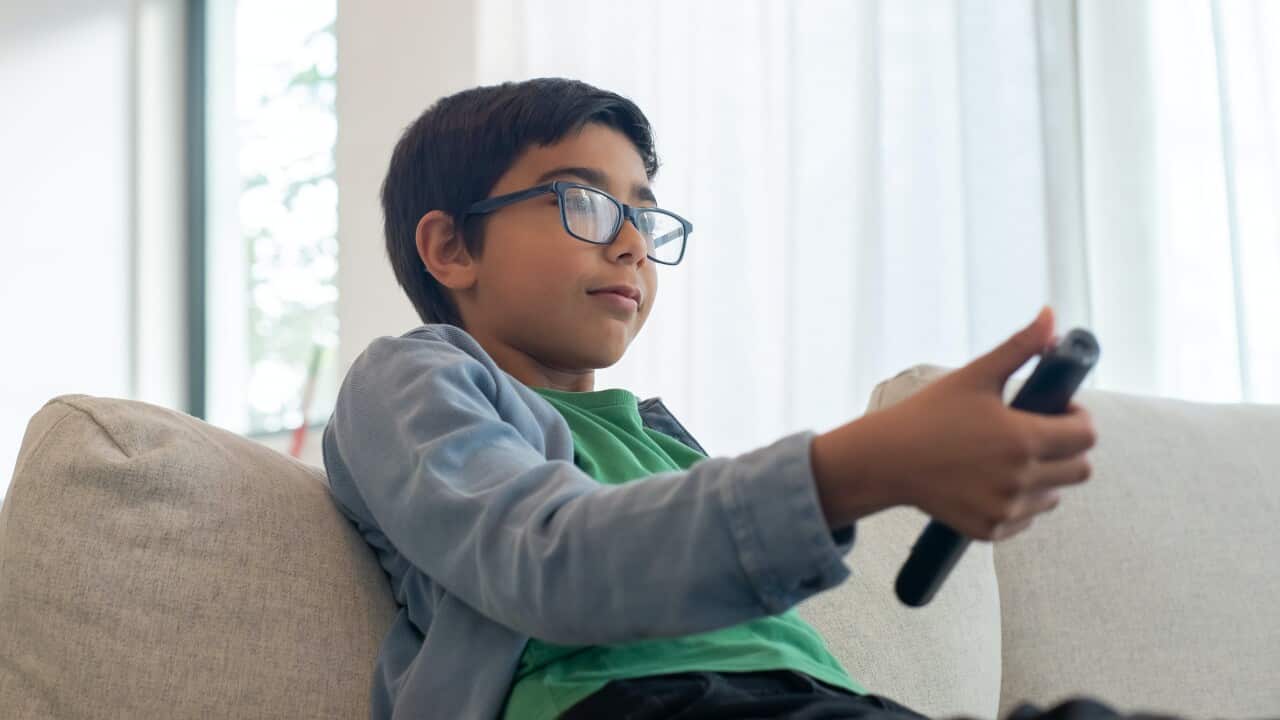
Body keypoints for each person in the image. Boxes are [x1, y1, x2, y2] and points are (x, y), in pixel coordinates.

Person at [321, 77, 1168, 720]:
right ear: (450, 247)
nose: (630, 244)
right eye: (585, 202)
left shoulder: (658, 438)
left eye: (644, 219)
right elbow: (550, 561)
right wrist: (860, 466)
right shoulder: (411, 379)